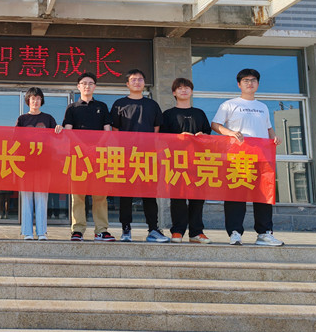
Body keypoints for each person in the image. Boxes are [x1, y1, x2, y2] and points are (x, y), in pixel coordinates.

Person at [211, 68, 284, 246]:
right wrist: (230, 133)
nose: (249, 83)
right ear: (239, 84)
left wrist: (274, 137)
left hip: (261, 156)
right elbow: (215, 124)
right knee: (237, 194)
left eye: (253, 80)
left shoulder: (263, 107)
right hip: (238, 156)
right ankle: (235, 232)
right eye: (245, 80)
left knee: (263, 194)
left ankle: (264, 233)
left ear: (257, 84)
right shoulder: (229, 104)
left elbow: (268, 128)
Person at [110, 69, 169, 243]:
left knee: (150, 194)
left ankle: (153, 229)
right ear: (127, 84)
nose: (137, 82)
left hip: (148, 156)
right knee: (125, 194)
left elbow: (157, 130)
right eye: (133, 79)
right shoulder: (119, 104)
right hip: (126, 156)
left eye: (140, 79)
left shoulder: (152, 105)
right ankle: (126, 229)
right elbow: (115, 130)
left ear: (144, 83)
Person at [62, 72, 113, 241]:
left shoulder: (102, 106)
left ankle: (101, 230)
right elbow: (68, 131)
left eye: (91, 83)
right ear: (78, 87)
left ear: (95, 87)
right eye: (84, 83)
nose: (87, 86)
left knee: (100, 195)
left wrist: (96, 148)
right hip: (78, 157)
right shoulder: (72, 108)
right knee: (78, 195)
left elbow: (107, 131)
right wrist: (83, 148)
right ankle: (77, 230)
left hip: (99, 157)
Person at [160, 78, 212, 244]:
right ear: (174, 92)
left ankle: (196, 232)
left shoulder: (200, 113)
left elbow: (208, 135)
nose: (184, 90)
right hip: (176, 161)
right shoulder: (168, 114)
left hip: (198, 161)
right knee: (178, 197)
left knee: (198, 197)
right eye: (180, 88)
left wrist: (203, 136)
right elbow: (162, 138)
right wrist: (179, 137)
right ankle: (177, 231)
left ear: (191, 91)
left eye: (187, 88)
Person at [16, 87, 56, 241]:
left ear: (42, 101)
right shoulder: (22, 119)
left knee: (41, 198)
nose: (35, 101)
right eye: (33, 98)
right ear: (28, 101)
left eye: (38, 98)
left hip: (44, 164)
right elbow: (15, 141)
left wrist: (59, 129)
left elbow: (56, 139)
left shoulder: (48, 119)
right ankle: (27, 232)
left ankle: (41, 232)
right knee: (26, 198)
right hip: (25, 165)